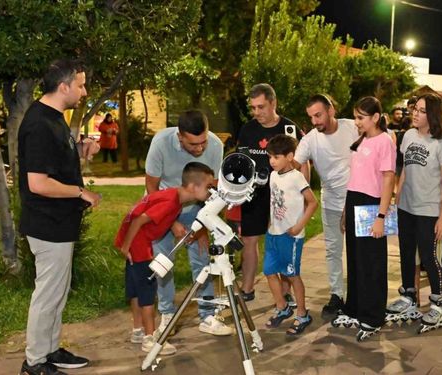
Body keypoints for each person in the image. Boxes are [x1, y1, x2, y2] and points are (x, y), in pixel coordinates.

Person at [18, 59, 101, 375]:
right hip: (46, 224)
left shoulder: (53, 118)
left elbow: (52, 164)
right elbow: (38, 183)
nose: (84, 90)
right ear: (63, 86)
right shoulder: (40, 124)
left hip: (58, 224)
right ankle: (35, 361)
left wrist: (80, 152)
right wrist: (81, 193)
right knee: (47, 295)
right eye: (80, 84)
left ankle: (49, 349)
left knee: (57, 292)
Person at [145, 110, 233, 336]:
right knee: (164, 263)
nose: (200, 148)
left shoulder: (214, 145)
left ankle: (207, 315)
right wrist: (171, 221)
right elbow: (152, 187)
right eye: (194, 144)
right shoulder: (161, 143)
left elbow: (212, 187)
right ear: (180, 136)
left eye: (203, 141)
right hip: (164, 206)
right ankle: (167, 315)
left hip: (197, 207)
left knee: (203, 260)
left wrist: (204, 225)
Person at [115, 162, 215, 355]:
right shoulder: (171, 202)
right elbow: (139, 219)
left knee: (135, 287)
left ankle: (137, 330)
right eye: (208, 187)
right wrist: (127, 246)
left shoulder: (174, 197)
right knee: (147, 291)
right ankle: (150, 339)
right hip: (138, 244)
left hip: (136, 241)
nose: (211, 191)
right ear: (194, 187)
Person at [386, 93, 442, 333]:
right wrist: (397, 197)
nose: (415, 113)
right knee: (405, 253)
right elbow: (404, 171)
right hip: (406, 207)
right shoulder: (408, 137)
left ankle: (438, 302)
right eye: (415, 109)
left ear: (432, 114)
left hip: (429, 210)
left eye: (421, 110)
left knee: (428, 257)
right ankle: (409, 297)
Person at [332, 96, 395, 342]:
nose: (356, 122)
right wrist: (346, 212)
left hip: (372, 205)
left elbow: (389, 179)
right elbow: (356, 178)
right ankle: (355, 308)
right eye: (356, 117)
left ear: (376, 117)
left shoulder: (384, 141)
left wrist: (381, 215)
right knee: (356, 258)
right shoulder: (362, 140)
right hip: (354, 201)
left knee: (372, 262)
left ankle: (373, 315)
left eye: (361, 117)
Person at [293, 94, 359, 318]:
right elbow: (294, 164)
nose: (315, 121)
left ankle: (360, 295)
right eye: (311, 117)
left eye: (318, 115)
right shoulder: (310, 139)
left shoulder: (353, 127)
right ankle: (336, 295)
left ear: (331, 110)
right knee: (333, 250)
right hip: (331, 202)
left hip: (357, 200)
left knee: (359, 250)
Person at [236, 83, 303, 301]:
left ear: (273, 103)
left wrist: (301, 192)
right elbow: (241, 161)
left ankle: (285, 293)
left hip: (282, 196)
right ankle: (247, 288)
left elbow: (303, 164)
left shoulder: (289, 129)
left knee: (282, 241)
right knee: (249, 240)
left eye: (261, 107)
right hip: (254, 194)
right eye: (253, 108)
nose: (257, 113)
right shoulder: (247, 130)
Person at [263, 135, 318, 335]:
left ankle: (302, 314)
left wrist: (298, 226)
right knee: (269, 271)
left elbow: (312, 202)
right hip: (273, 234)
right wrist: (271, 223)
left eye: (276, 157)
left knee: (292, 275)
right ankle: (282, 307)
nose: (272, 161)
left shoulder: (296, 177)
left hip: (291, 237)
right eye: (270, 157)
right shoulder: (273, 175)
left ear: (290, 156)